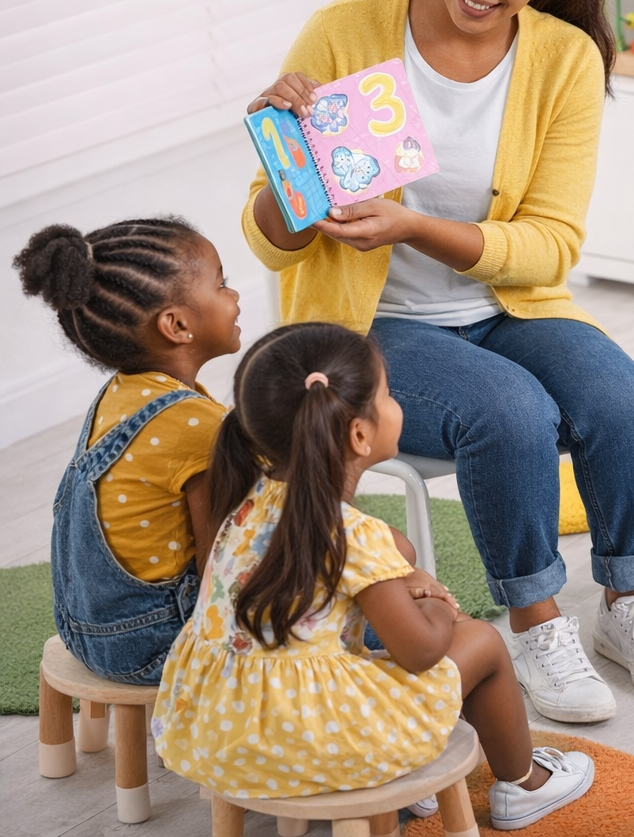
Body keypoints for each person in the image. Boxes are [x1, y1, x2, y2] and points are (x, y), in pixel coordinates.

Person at [240, 0, 634, 723]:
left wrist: (415, 225)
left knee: (619, 398)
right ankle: (533, 623)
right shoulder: (345, 32)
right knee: (510, 413)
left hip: (504, 307)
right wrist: (285, 158)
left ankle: (631, 605)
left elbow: (551, 246)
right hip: (371, 323)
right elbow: (272, 240)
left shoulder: (565, 58)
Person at [153, 323, 595, 830]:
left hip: (221, 735)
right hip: (315, 744)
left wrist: (396, 564)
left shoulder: (245, 505)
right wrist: (431, 598)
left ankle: (412, 768)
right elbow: (422, 650)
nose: (395, 405)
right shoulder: (349, 535)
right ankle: (524, 785)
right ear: (360, 434)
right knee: (481, 641)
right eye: (387, 395)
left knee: (364, 655)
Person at [12, 219, 240, 684]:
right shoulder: (196, 425)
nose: (234, 297)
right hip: (157, 645)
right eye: (222, 284)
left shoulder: (124, 393)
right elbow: (224, 561)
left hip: (86, 631)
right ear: (176, 325)